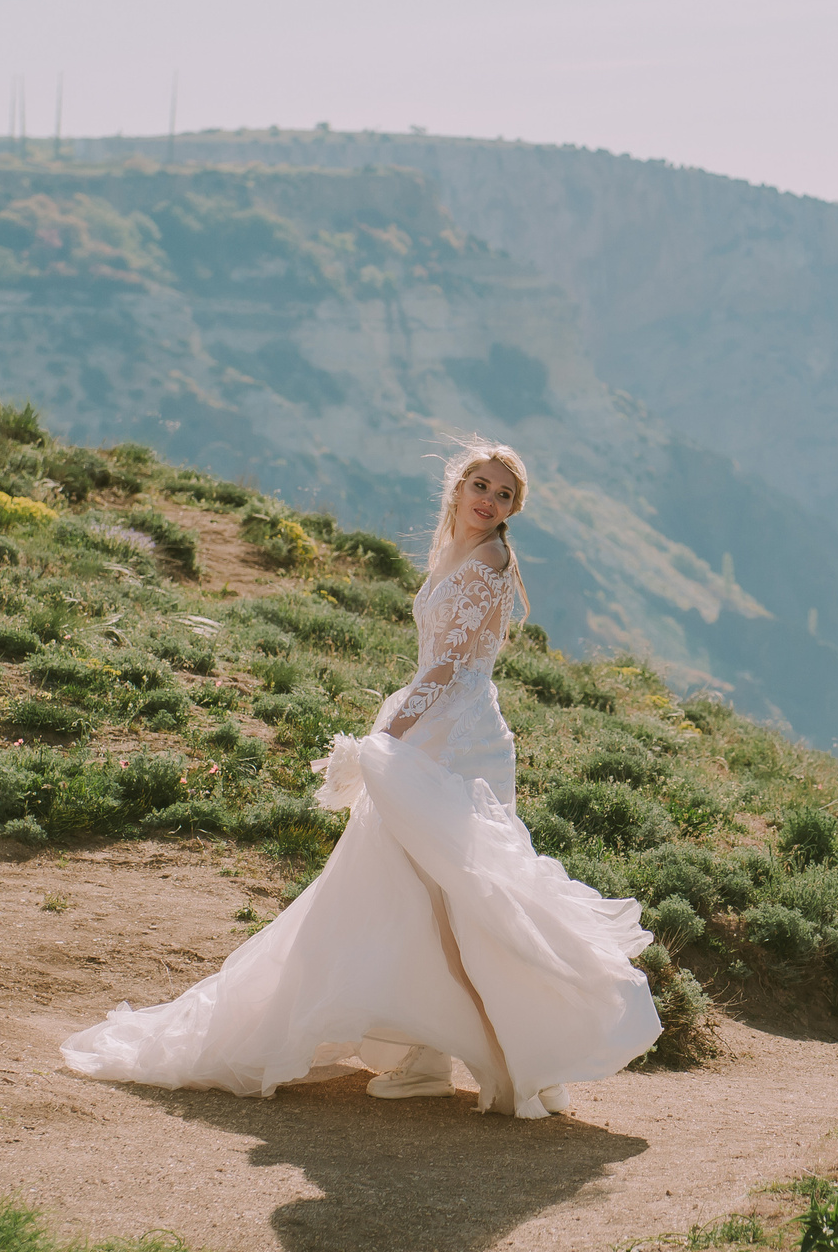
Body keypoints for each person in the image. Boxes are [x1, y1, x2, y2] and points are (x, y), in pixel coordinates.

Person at [60, 439, 660, 1118]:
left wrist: (386, 739)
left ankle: (521, 1050)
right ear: (458, 486)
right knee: (415, 888)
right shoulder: (452, 553)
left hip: (458, 740)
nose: (489, 502)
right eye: (481, 486)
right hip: (433, 725)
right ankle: (428, 1051)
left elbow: (449, 666)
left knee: (466, 892)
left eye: (503, 496)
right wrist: (394, 731)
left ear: (510, 511)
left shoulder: (489, 561)